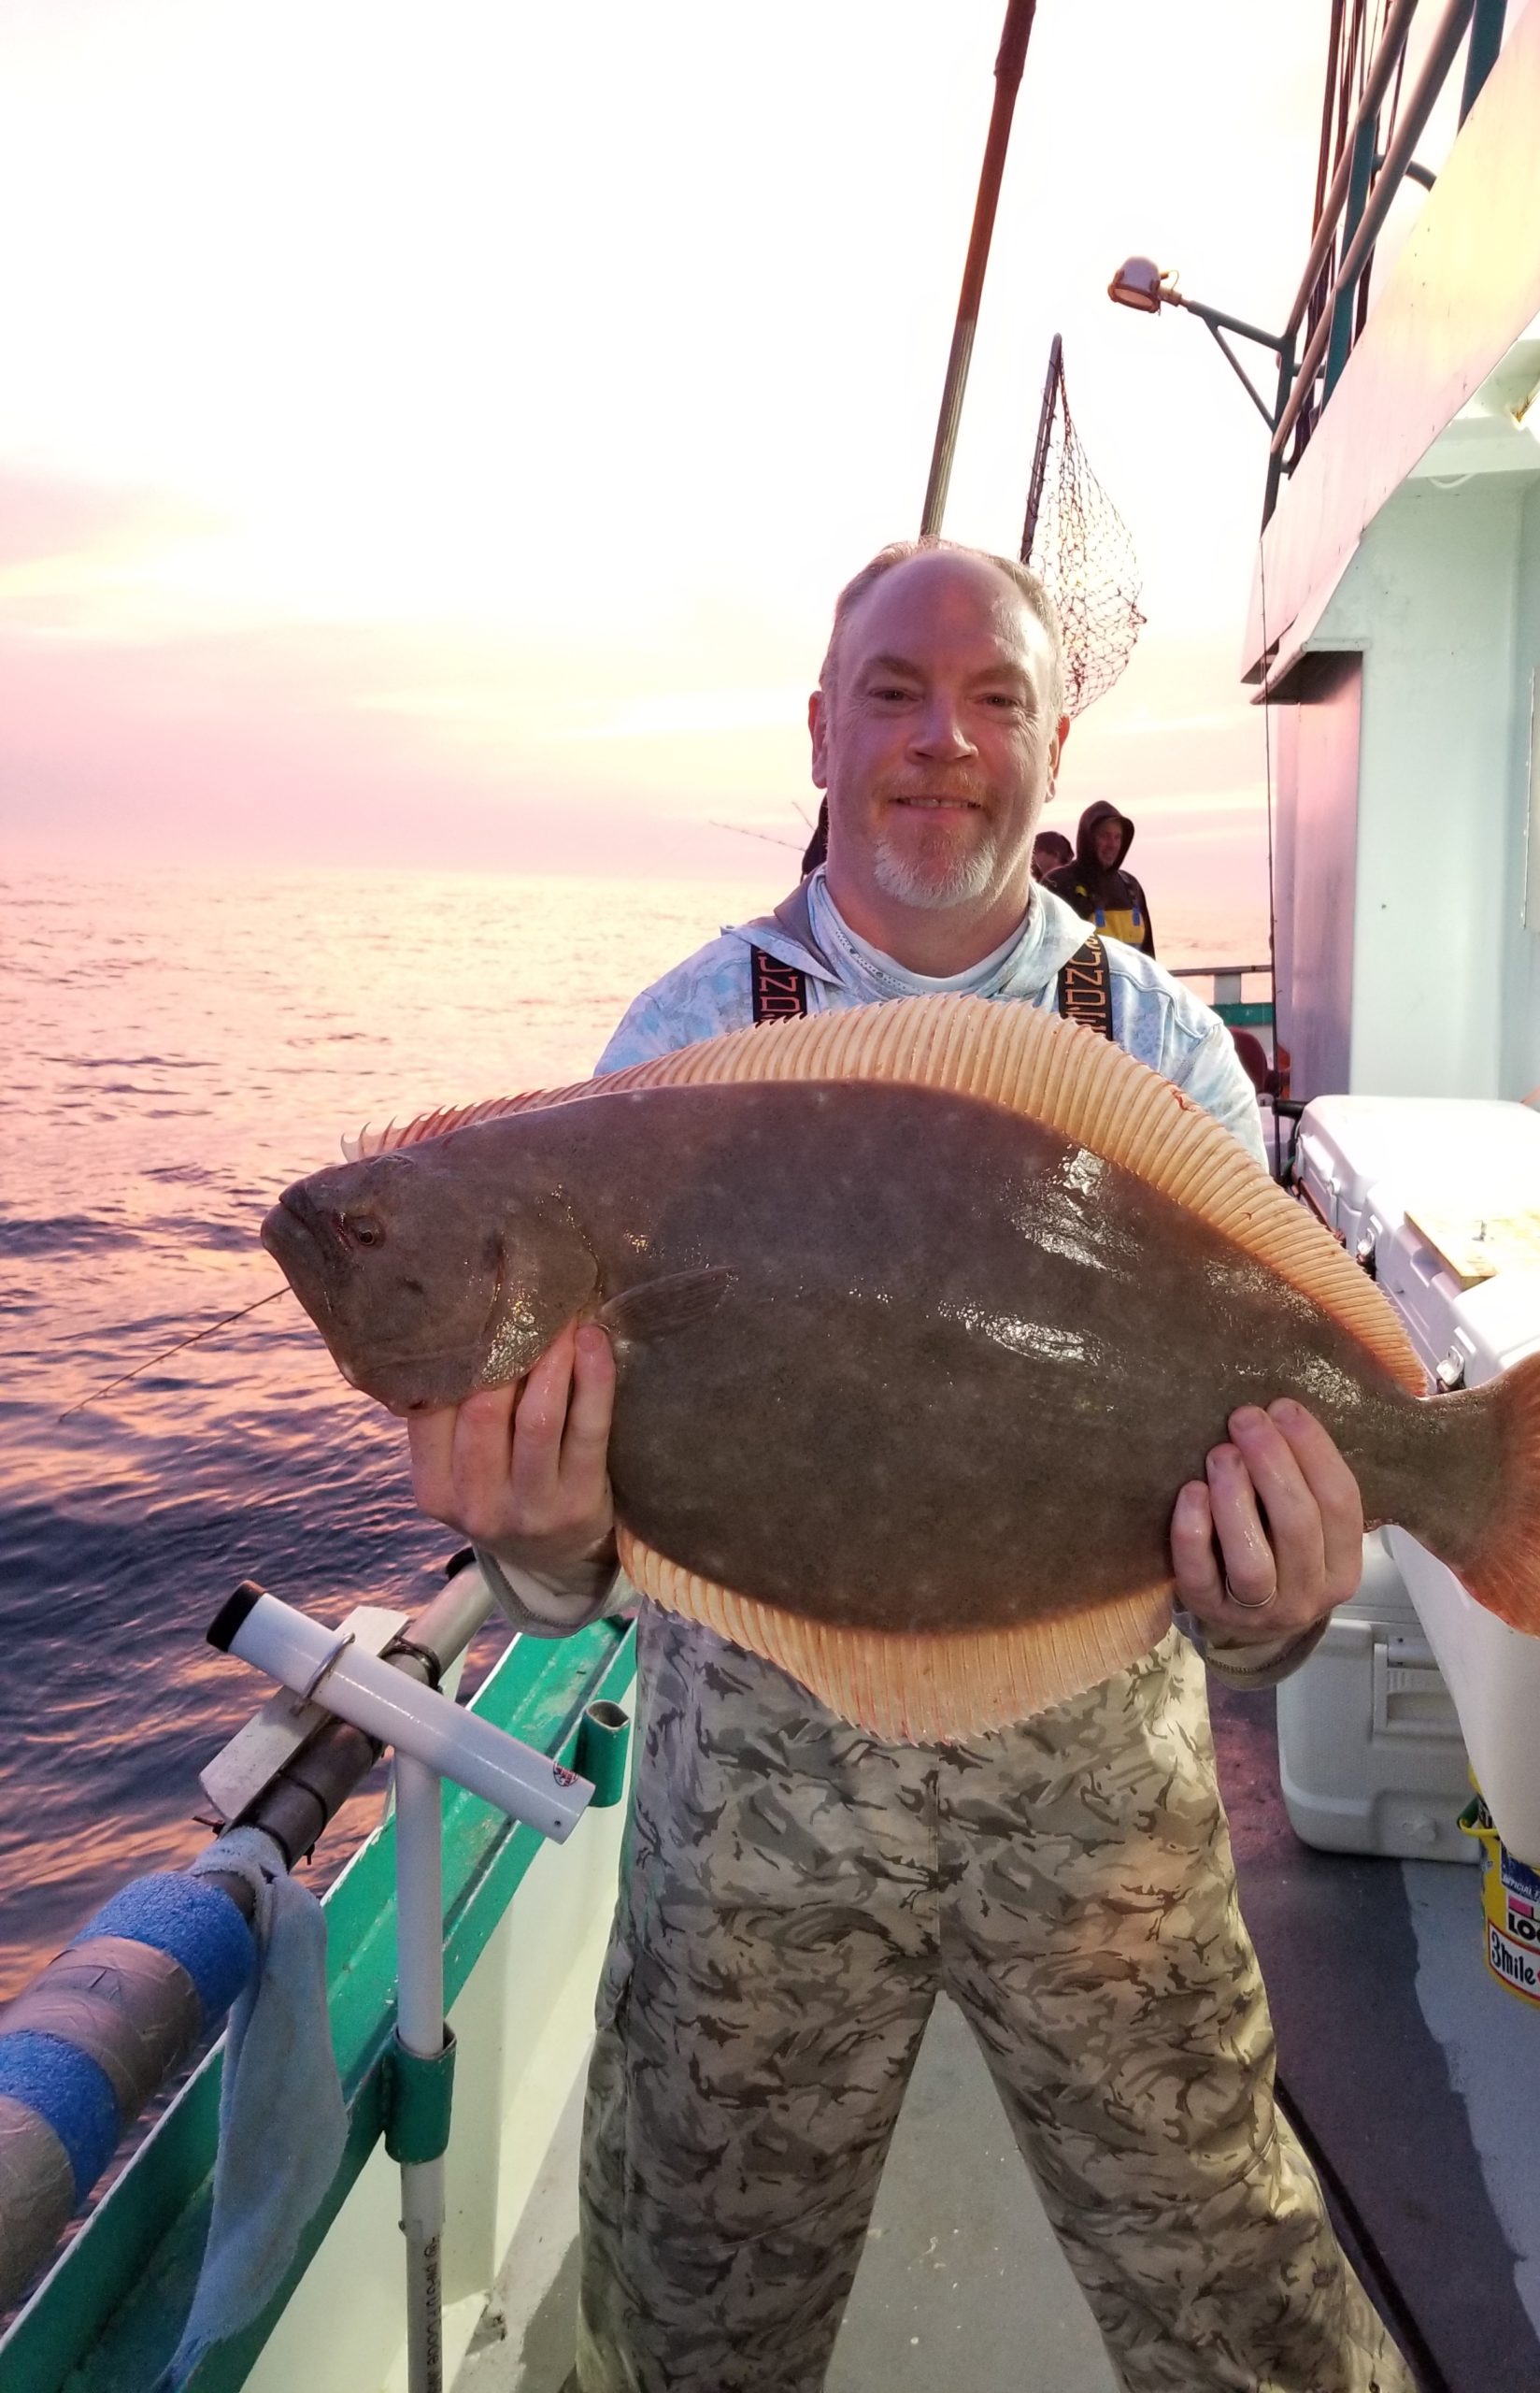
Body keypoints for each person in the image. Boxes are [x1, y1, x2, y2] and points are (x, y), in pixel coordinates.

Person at [406, 539, 1414, 2393]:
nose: (942, 741)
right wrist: (545, 1553)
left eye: (995, 699)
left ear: (1047, 743)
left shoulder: (1167, 1047)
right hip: (758, 1838)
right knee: (695, 2317)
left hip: (1101, 1814)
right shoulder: (682, 1045)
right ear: (817, 732)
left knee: (1249, 2309)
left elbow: (1255, 1564)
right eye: (893, 691)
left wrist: (1281, 1600)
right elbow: (585, 1560)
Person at [1047, 797, 1156, 953]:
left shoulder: (1131, 886)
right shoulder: (1058, 884)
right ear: (1087, 838)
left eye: (1117, 837)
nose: (1112, 844)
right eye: (1104, 836)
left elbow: (1148, 957)